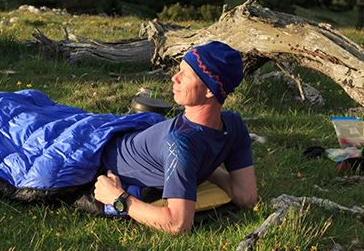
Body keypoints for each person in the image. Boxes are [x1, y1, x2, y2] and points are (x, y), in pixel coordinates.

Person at [93, 41, 258, 234]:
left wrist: (119, 198)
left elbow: (179, 224)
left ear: (210, 90)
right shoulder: (183, 143)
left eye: (186, 74)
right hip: (105, 154)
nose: (174, 78)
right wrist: (118, 196)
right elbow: (178, 223)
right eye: (179, 70)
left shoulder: (231, 127)